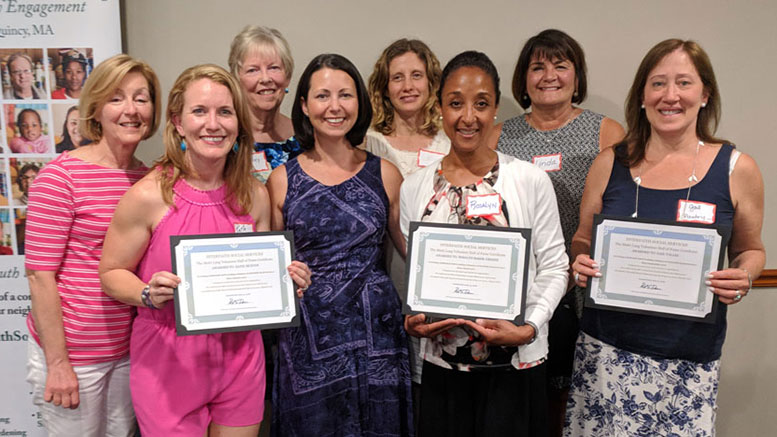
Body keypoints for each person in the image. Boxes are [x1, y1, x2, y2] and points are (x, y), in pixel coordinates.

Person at [98, 64, 312, 436]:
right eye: (200, 112)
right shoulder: (148, 196)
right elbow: (111, 273)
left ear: (238, 123)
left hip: (241, 357)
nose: (213, 124)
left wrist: (288, 281)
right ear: (178, 122)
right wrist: (147, 293)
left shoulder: (255, 195)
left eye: (225, 112)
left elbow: (262, 276)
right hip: (168, 362)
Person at [566, 39, 765, 436]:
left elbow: (751, 250)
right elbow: (582, 239)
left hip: (688, 358)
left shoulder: (736, 169)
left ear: (705, 94)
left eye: (684, 83)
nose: (670, 96)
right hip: (605, 352)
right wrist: (581, 260)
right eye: (658, 84)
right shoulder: (610, 163)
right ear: (642, 95)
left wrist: (744, 276)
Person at [400, 50, 569, 437]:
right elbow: (419, 271)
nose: (468, 117)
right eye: (455, 103)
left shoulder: (528, 180)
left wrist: (529, 327)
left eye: (481, 104)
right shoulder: (416, 187)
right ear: (439, 107)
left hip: (515, 366)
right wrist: (414, 319)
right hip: (444, 369)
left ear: (495, 110)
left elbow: (556, 266)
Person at [266, 53, 413, 436]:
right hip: (307, 339)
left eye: (345, 95)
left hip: (376, 335)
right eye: (322, 96)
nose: (335, 107)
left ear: (359, 103)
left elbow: (414, 253)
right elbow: (267, 269)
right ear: (303, 105)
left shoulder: (386, 174)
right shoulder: (281, 180)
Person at [494, 29, 624, 435]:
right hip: (522, 289)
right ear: (524, 79)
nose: (549, 75)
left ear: (577, 77)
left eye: (560, 65)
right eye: (537, 67)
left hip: (585, 289)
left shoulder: (608, 133)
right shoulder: (500, 135)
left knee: (583, 397)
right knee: (530, 398)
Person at [24, 54, 161, 437]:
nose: (131, 110)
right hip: (73, 358)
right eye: (117, 98)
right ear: (96, 108)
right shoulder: (61, 176)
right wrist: (58, 363)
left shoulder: (148, 178)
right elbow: (39, 276)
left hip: (128, 354)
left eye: (141, 98)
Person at [366, 38, 450, 416]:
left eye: (417, 75)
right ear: (384, 86)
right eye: (397, 77)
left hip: (446, 269)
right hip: (390, 267)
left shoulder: (451, 138)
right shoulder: (369, 141)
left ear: (432, 81)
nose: (408, 86)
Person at [229, 25, 301, 183]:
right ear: (236, 79)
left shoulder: (306, 136)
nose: (265, 78)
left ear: (287, 77)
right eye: (253, 70)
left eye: (274, 68)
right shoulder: (224, 137)